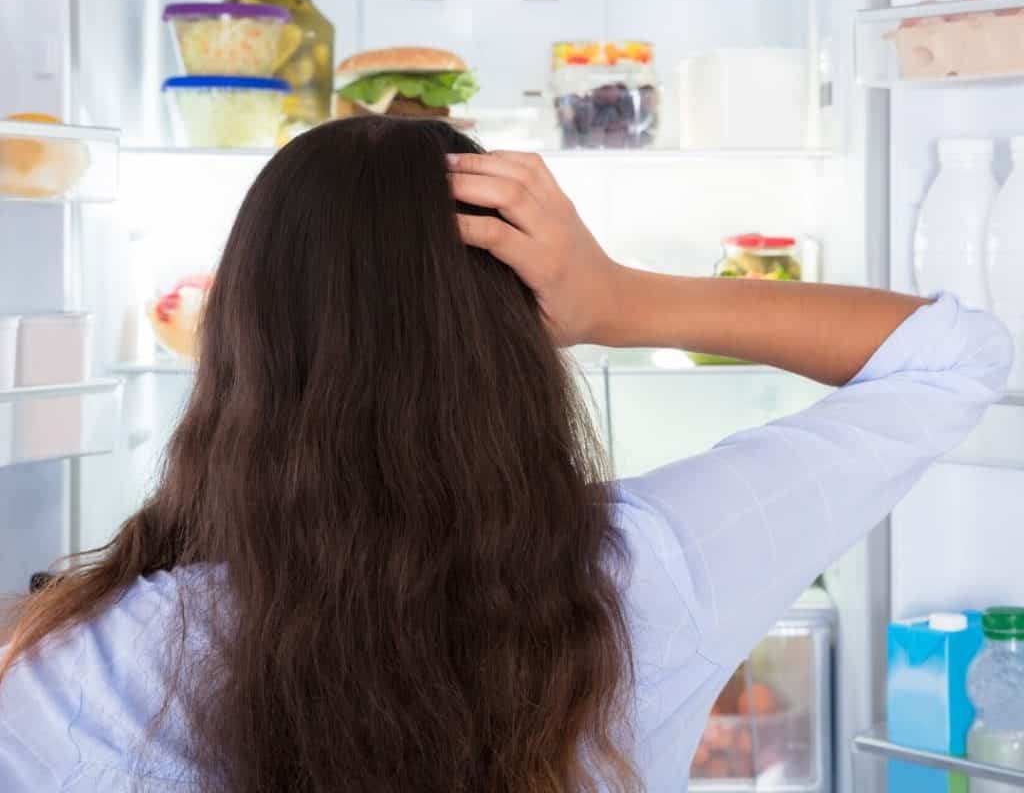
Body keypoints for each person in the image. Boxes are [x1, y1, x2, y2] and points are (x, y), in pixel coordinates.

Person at [0, 117, 1011, 793]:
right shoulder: (655, 569)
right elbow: (954, 357)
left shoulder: (80, 667)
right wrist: (620, 301)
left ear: (239, 342)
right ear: (513, 337)